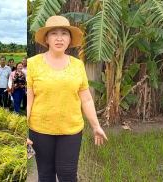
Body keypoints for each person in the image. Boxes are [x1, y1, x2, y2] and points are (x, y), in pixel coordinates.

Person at [27, 16, 108, 182]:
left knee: (68, 175)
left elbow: (86, 99)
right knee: (46, 175)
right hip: (40, 129)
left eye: (64, 33)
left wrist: (96, 126)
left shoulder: (77, 65)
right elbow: (27, 99)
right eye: (54, 33)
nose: (59, 38)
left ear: (70, 39)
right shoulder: (32, 64)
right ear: (46, 39)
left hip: (71, 130)